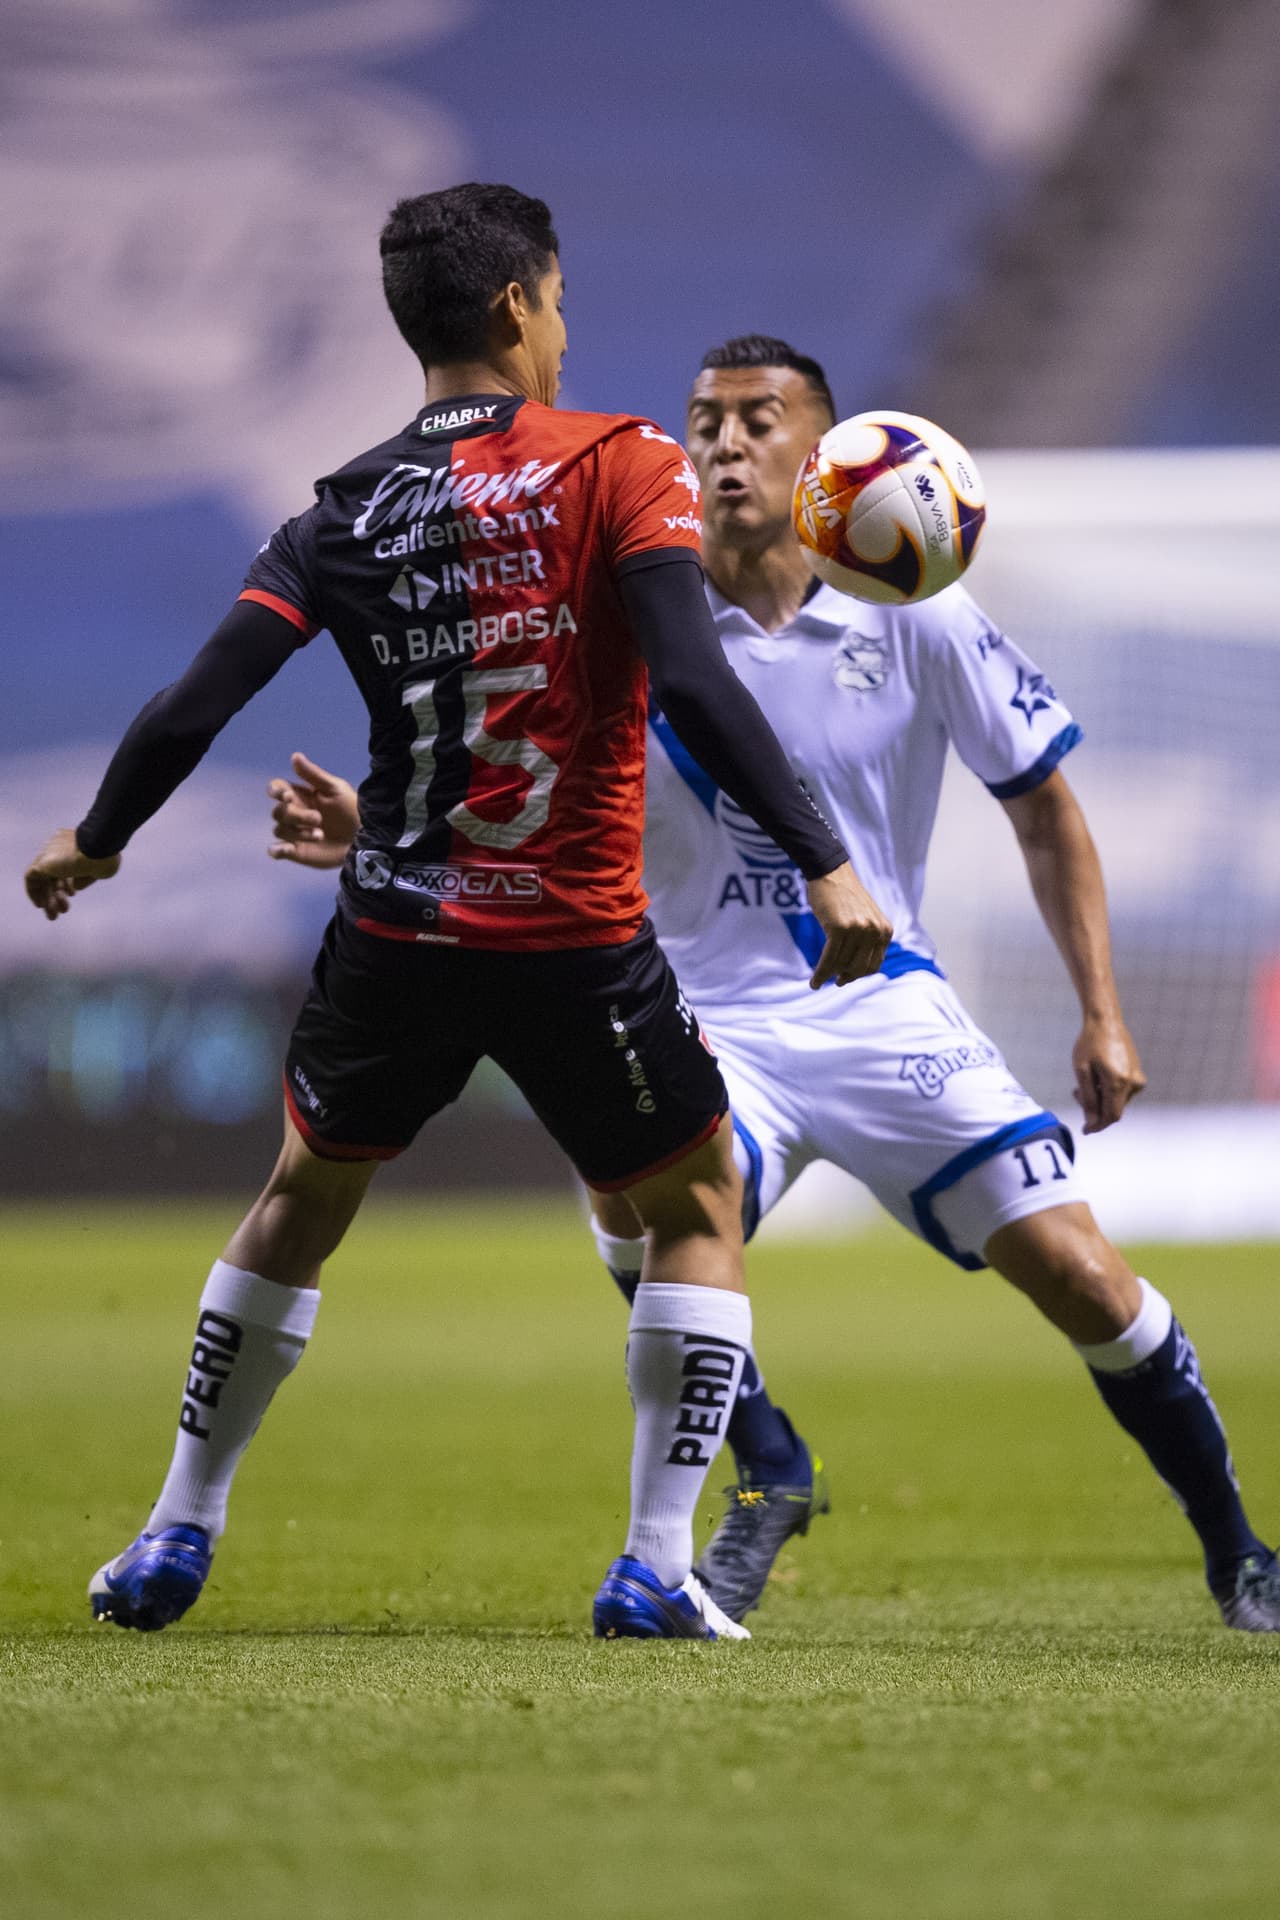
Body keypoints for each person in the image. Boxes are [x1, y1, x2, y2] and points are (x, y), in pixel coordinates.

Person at [267, 334, 1280, 1634]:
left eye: (759, 420)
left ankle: (1239, 1550)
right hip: (704, 1007)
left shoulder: (918, 612)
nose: (727, 443)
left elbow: (1045, 810)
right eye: (706, 421)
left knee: (1080, 1275)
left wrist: (1101, 1009)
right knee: (635, 1205)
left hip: (883, 1001)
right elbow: (517, 781)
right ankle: (766, 1468)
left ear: (827, 453)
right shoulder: (635, 616)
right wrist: (377, 819)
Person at [23, 196, 892, 1643]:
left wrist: (96, 841)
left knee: (300, 1202)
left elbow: (196, 702)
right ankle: (656, 1565)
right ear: (512, 310)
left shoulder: (341, 505)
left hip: (397, 936)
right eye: (556, 302)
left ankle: (177, 1525)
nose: (564, 326)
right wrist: (822, 859)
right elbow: (692, 676)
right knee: (694, 1210)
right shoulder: (623, 465)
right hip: (572, 941)